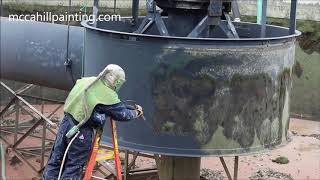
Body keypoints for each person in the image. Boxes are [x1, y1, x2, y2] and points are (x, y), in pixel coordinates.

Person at [43, 64, 143, 180]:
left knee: (55, 160)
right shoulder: (107, 94)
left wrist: (124, 106)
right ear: (115, 81)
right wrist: (136, 112)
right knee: (74, 166)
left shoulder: (86, 81)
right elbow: (122, 115)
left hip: (65, 123)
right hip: (80, 131)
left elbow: (103, 104)